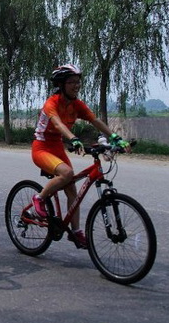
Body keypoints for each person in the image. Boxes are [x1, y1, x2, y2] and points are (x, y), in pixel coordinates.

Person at [29, 64, 130, 249]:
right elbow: (58, 124)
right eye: (72, 82)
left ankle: (75, 232)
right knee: (67, 174)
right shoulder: (52, 103)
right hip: (42, 148)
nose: (76, 85)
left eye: (78, 82)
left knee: (72, 191)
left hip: (57, 146)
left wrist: (115, 137)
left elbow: (95, 120)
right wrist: (74, 139)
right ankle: (40, 198)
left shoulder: (77, 104)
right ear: (61, 84)